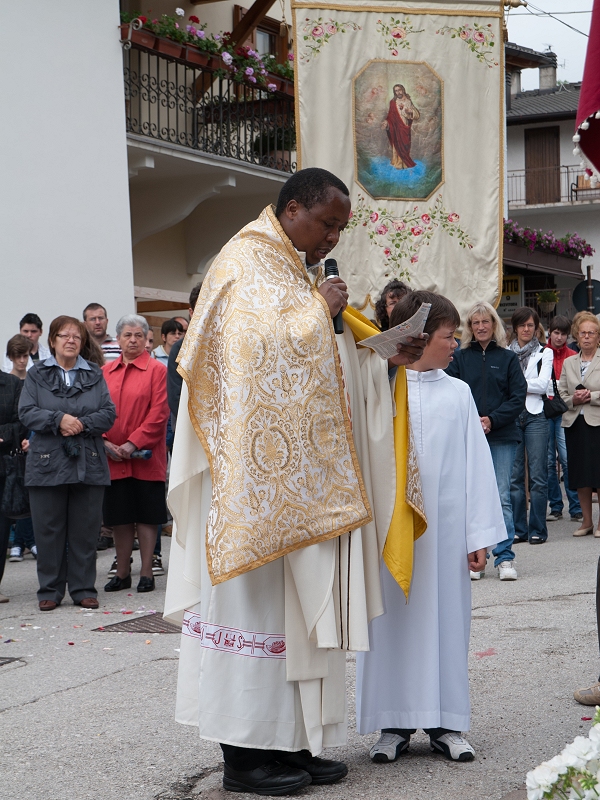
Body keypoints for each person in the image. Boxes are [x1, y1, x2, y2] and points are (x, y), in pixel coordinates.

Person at [163, 168, 427, 796]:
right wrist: (319, 312)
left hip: (302, 481)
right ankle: (244, 758)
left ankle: (292, 743)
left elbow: (314, 359)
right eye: (327, 223)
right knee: (256, 615)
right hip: (251, 486)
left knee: (298, 619)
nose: (331, 238)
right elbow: (249, 351)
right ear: (291, 209)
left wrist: (376, 354)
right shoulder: (246, 260)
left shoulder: (290, 266)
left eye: (340, 227)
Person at [356, 291, 505, 764]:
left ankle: (447, 723)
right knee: (392, 622)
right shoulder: (379, 389)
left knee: (445, 620)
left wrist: (478, 534)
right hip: (390, 533)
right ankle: (392, 722)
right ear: (417, 339)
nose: (455, 344)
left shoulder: (457, 393)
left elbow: (476, 466)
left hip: (443, 535)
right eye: (448, 336)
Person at [18, 316, 116, 611]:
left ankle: (84, 588)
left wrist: (80, 424)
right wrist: (57, 419)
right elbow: (27, 411)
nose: (71, 340)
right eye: (64, 335)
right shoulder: (37, 374)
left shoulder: (95, 374)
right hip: (47, 461)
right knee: (48, 529)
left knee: (85, 530)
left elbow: (108, 413)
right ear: (52, 341)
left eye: (77, 336)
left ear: (83, 343)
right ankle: (49, 589)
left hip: (88, 460)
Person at [446, 301, 526, 580]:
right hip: (467, 436)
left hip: (502, 435)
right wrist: (472, 422)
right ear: (469, 327)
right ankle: (475, 556)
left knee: (502, 496)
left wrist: (491, 420)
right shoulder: (459, 358)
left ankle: (504, 558)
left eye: (486, 322)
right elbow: (451, 393)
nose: (481, 327)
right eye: (475, 322)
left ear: (494, 325)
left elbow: (518, 397)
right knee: (469, 496)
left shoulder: (507, 358)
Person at [102, 315, 169, 594]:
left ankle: (145, 572)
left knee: (145, 514)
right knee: (119, 516)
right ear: (117, 339)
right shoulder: (105, 372)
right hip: (111, 456)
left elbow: (159, 413)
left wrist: (132, 443)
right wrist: (105, 442)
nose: (133, 340)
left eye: (138, 335)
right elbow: (96, 410)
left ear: (146, 340)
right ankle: (121, 571)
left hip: (145, 455)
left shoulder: (156, 370)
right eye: (127, 335)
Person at [508, 307, 553, 544]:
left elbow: (543, 384)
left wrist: (517, 385)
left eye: (531, 325)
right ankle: (519, 529)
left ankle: (538, 528)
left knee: (538, 475)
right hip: (513, 416)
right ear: (515, 328)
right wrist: (525, 384)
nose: (527, 329)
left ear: (536, 328)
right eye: (523, 325)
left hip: (536, 415)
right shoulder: (506, 353)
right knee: (515, 476)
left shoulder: (545, 352)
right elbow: (505, 386)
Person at [558, 312, 600, 536]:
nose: (586, 337)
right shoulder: (569, 362)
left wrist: (591, 397)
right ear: (576, 335)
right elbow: (561, 391)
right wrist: (573, 400)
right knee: (581, 474)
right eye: (582, 333)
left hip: (598, 422)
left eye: (591, 333)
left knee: (599, 474)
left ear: (598, 336)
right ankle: (586, 521)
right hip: (575, 422)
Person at [545, 316, 582, 523]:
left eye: (563, 333)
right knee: (549, 462)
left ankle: (575, 506)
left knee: (568, 459)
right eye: (556, 333)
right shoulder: (543, 354)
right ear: (550, 332)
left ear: (568, 335)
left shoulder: (572, 355)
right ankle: (556, 507)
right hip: (546, 410)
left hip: (566, 410)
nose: (559, 337)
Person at [5, 335, 36, 562]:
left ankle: (27, 541)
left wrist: (31, 439)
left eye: (25, 356)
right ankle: (17, 542)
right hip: (10, 448)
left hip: (29, 443)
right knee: (12, 498)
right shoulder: (6, 382)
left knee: (27, 497)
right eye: (17, 356)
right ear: (10, 357)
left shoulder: (32, 380)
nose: (22, 361)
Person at [0, 370, 27, 602]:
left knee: (1, 529)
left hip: (5, 467)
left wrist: (3, 433)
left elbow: (22, 420)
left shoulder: (11, 384)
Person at [167, 284, 202, 425]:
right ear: (191, 312)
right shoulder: (180, 348)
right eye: (202, 307)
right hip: (188, 426)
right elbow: (175, 396)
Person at [381, 84, 420, 169]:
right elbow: (390, 116)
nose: (398, 92)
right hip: (395, 127)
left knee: (405, 144)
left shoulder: (408, 101)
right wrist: (386, 122)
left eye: (399, 90)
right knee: (397, 144)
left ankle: (405, 163)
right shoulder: (392, 102)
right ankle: (397, 162)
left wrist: (410, 111)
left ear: (403, 90)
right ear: (394, 92)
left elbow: (416, 114)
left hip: (405, 125)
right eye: (396, 90)